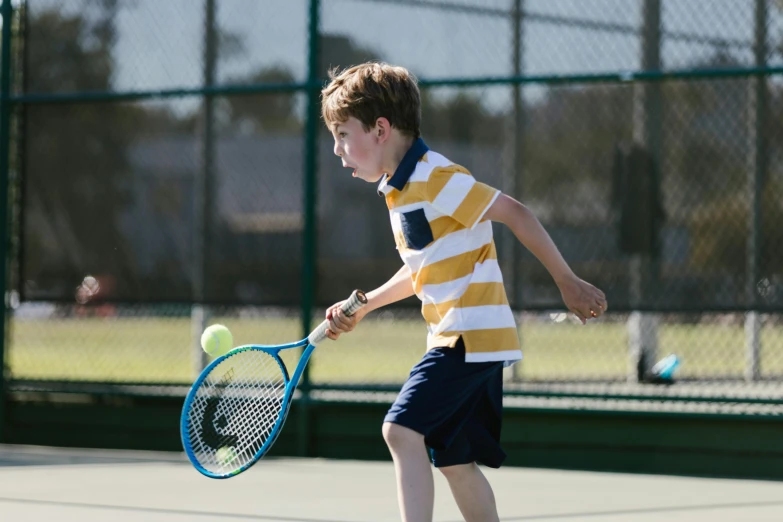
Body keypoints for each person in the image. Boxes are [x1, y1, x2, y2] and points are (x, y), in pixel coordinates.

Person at [320, 62, 607, 522]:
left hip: (467, 336)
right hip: (469, 339)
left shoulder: (435, 178)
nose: (337, 150)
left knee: (399, 430)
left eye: (342, 134)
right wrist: (366, 305)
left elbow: (515, 212)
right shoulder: (400, 190)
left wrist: (566, 281)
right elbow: (422, 271)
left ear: (380, 129)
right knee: (454, 461)